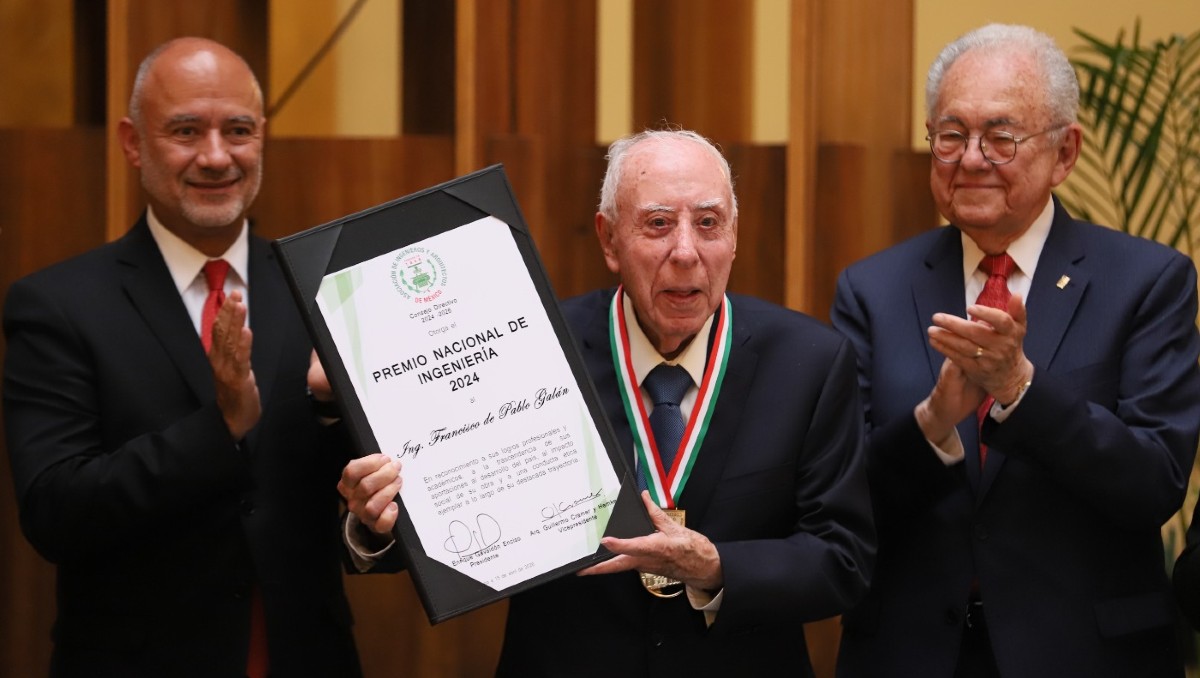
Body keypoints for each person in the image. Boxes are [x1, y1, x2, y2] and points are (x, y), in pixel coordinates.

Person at [331, 128, 875, 675]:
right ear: (610, 240)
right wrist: (377, 524)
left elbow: (842, 560)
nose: (686, 251)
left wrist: (716, 566)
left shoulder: (810, 363)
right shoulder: (529, 346)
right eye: (658, 224)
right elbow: (449, 520)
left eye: (708, 223)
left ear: (734, 236)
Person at [831, 23, 1200, 678]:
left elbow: (1155, 481)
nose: (971, 158)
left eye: (1001, 137)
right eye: (950, 135)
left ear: (1064, 153)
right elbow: (841, 501)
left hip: (1086, 655)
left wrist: (1022, 390)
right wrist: (934, 423)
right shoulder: (872, 290)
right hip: (913, 654)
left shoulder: (1147, 282)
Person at [2, 37, 361, 677]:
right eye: (186, 131)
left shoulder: (325, 292)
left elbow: (371, 506)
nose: (216, 156)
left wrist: (338, 422)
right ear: (133, 142)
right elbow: (55, 513)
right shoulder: (58, 306)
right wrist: (218, 428)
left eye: (239, 130)